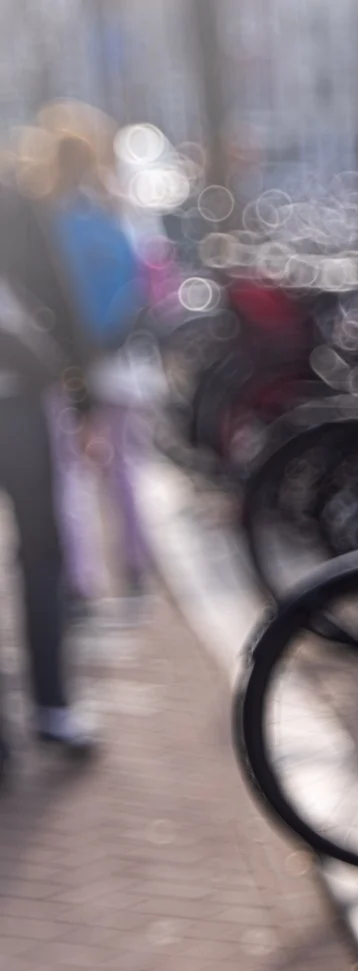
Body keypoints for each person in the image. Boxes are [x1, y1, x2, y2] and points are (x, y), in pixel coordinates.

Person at [38, 111, 158, 613]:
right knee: (125, 465)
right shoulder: (118, 212)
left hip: (66, 359)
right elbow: (146, 280)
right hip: (120, 356)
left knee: (68, 471)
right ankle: (133, 564)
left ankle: (81, 578)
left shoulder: (47, 220)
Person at [0, 140, 92, 764]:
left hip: (21, 404)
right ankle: (49, 709)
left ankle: (51, 705)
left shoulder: (15, 202)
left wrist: (80, 384)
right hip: (19, 402)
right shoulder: (14, 201)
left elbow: (55, 295)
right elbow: (56, 298)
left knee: (42, 551)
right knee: (40, 552)